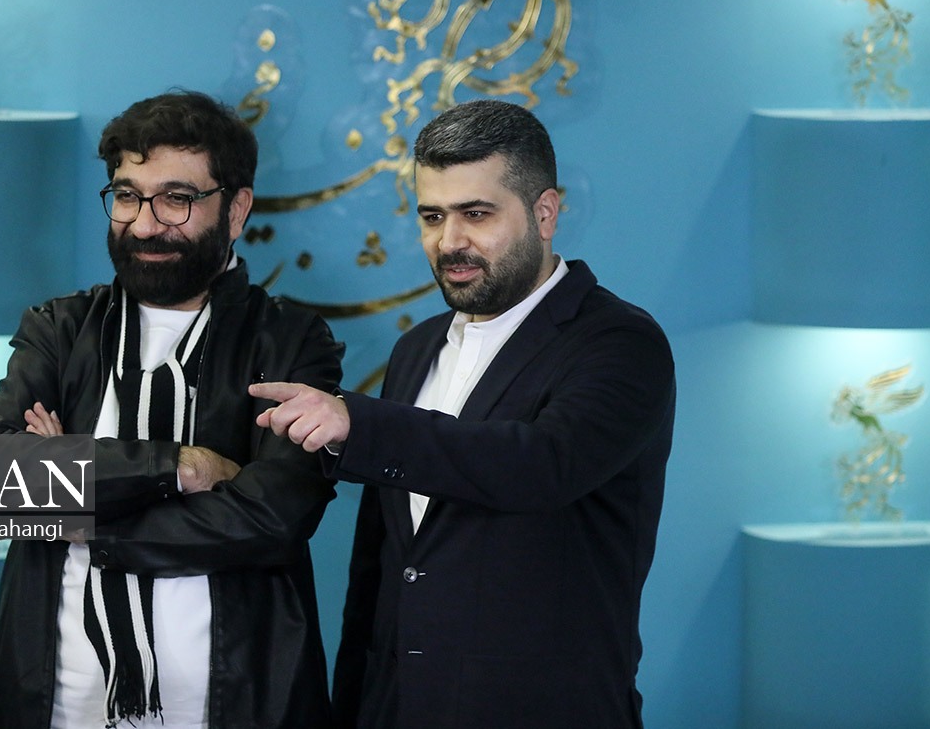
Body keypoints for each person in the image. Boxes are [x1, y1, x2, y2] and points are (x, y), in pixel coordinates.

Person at [251, 99, 676, 729]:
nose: (449, 242)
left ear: (545, 213)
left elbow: (540, 465)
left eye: (476, 214)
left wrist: (359, 424)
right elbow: (380, 566)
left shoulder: (620, 342)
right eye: (432, 216)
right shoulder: (416, 347)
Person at [0, 90, 343, 729]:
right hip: (53, 706)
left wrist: (80, 509)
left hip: (234, 707)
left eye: (177, 199)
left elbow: (273, 517)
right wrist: (179, 467)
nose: (145, 225)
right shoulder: (59, 329)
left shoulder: (289, 341)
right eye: (127, 196)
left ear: (236, 209)